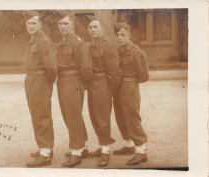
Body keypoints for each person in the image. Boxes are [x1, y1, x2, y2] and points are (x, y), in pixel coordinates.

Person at [56, 11, 92, 167]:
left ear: (72, 25)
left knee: (73, 115)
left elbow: (86, 66)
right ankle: (82, 146)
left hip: (73, 81)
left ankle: (76, 151)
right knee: (69, 114)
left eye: (66, 24)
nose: (63, 26)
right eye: (60, 24)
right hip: (63, 80)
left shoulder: (78, 43)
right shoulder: (62, 43)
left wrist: (81, 85)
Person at [24, 11, 58, 167]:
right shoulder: (34, 40)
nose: (31, 26)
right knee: (36, 114)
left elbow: (51, 67)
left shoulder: (44, 41)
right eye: (28, 23)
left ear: (40, 25)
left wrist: (46, 82)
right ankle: (45, 148)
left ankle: (45, 154)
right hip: (31, 80)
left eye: (34, 23)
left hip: (40, 80)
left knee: (42, 114)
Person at [112, 22, 149, 165]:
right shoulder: (118, 50)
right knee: (120, 116)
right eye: (117, 35)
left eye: (123, 35)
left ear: (129, 35)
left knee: (132, 117)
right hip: (118, 86)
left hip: (129, 86)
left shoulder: (136, 52)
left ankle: (141, 151)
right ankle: (128, 146)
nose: (120, 38)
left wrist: (131, 83)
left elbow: (144, 75)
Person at [86, 18, 121, 167]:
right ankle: (102, 145)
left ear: (101, 29)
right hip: (92, 84)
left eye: (95, 27)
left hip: (103, 84)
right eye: (90, 27)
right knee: (94, 117)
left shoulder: (107, 47)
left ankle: (106, 151)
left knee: (102, 118)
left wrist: (110, 90)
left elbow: (115, 72)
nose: (93, 30)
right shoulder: (89, 46)